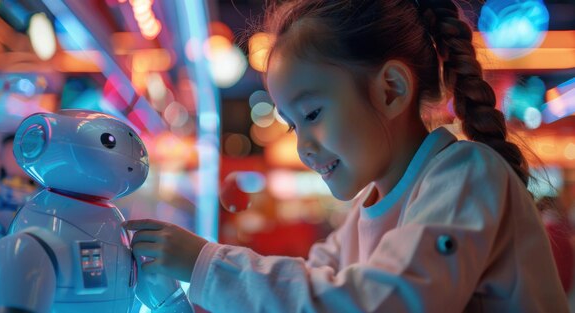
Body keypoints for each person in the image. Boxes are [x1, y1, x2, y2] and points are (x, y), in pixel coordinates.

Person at [123, 0, 569, 311]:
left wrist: (205, 264)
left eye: (313, 112)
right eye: (293, 124)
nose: (303, 146)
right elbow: (314, 282)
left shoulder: (466, 175)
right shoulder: (366, 210)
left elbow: (384, 302)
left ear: (390, 89)